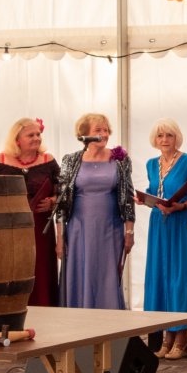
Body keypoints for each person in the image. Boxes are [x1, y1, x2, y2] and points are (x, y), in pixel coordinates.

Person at [139, 119, 187, 360]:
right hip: (160, 224)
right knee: (161, 278)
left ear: (177, 137)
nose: (164, 140)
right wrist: (146, 199)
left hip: (182, 224)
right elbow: (155, 190)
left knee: (180, 279)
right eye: (160, 136)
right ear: (154, 140)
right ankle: (166, 336)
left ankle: (182, 338)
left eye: (169, 135)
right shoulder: (150, 164)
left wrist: (181, 205)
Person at [56, 113, 135, 309]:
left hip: (110, 228)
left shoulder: (120, 159)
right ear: (84, 135)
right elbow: (62, 202)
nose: (104, 134)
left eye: (106, 130)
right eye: (98, 130)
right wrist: (60, 238)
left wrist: (129, 232)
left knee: (106, 276)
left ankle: (110, 327)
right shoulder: (71, 160)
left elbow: (128, 198)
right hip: (78, 229)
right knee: (80, 273)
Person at [0, 117, 60, 306]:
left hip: (41, 227)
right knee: (12, 268)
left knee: (40, 269)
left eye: (38, 134)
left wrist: (52, 201)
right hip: (8, 228)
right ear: (17, 139)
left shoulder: (48, 160)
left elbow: (63, 192)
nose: (37, 138)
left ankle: (44, 308)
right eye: (31, 135)